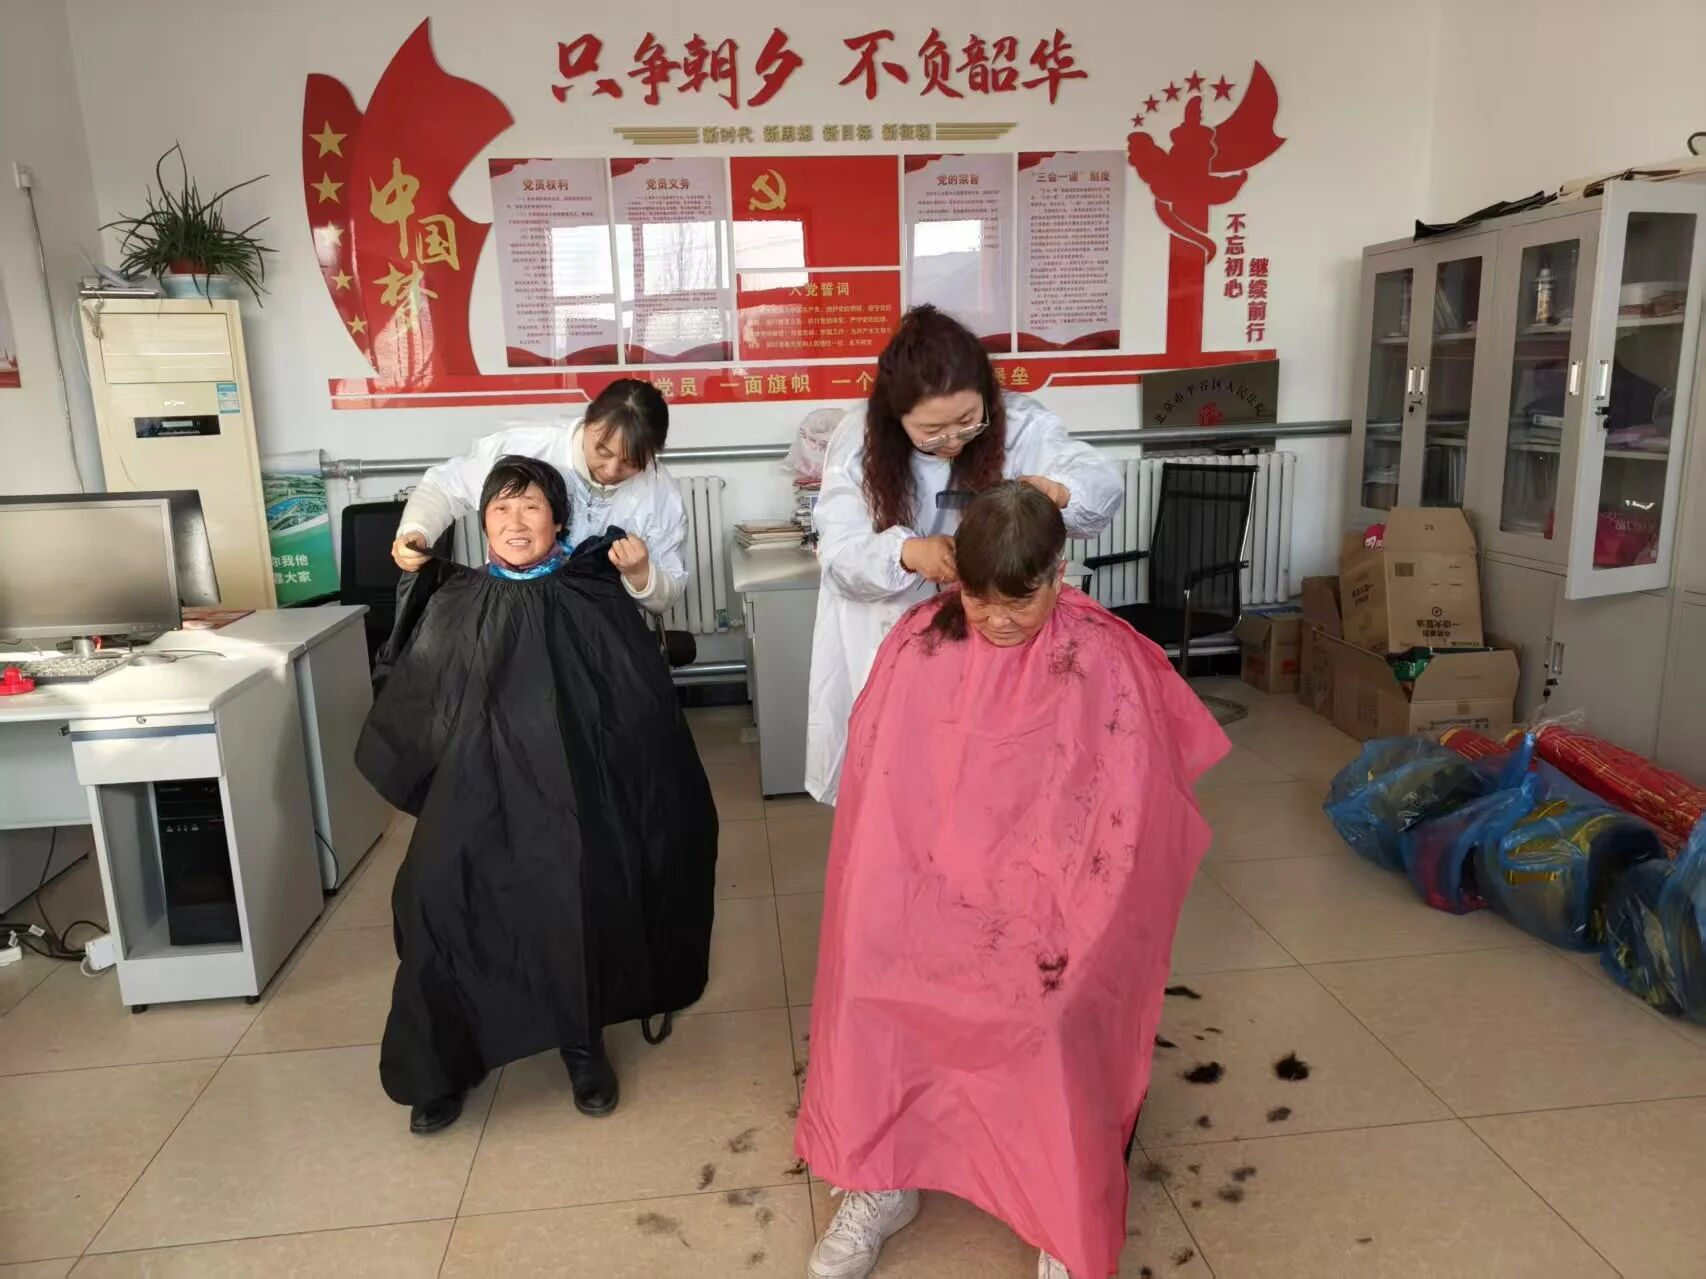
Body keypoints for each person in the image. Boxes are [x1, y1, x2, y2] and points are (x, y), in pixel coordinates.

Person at [796, 483, 1229, 1279]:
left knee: (1051, 1006)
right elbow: (881, 802)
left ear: (1059, 574)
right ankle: (880, 1176)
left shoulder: (1102, 657)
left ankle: (1062, 1209)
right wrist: (899, 905)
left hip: (1055, 897)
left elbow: (1127, 817)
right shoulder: (920, 642)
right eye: (979, 598)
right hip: (928, 883)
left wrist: (1064, 912)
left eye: (1019, 600)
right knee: (868, 976)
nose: (997, 619)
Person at [357, 455, 718, 1135]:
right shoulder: (456, 597)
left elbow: (632, 704)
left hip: (571, 789)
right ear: (482, 522)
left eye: (531, 507)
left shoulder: (590, 591)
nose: (516, 521)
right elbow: (419, 697)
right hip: (473, 785)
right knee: (435, 894)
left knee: (571, 889)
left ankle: (581, 1045)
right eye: (501, 508)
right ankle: (443, 1061)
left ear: (558, 519)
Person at [805, 305, 1124, 805]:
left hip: (996, 643)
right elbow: (841, 554)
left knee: (996, 785)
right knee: (907, 785)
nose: (952, 440)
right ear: (896, 415)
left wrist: (1062, 491)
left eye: (967, 421)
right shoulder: (858, 440)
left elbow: (1098, 481)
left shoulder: (1021, 425)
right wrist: (907, 553)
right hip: (892, 638)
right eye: (931, 430)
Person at [390, 378, 688, 613]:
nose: (611, 470)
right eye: (602, 451)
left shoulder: (659, 493)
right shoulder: (529, 447)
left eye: (630, 463)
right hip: (512, 613)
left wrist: (641, 575)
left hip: (598, 630)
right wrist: (417, 531)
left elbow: (668, 592)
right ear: (588, 422)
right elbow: (444, 487)